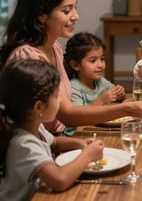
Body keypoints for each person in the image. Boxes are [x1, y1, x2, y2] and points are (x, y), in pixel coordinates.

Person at [0, 0, 142, 135]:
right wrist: (127, 109)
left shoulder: (54, 47)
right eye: (67, 10)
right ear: (41, 14)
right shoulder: (28, 56)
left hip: (59, 138)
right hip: (41, 148)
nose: (76, 16)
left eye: (75, 8)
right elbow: (67, 115)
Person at [0, 59, 104, 200]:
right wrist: (88, 155)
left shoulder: (33, 125)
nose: (60, 101)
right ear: (39, 107)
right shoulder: (23, 143)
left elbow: (53, 142)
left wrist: (78, 143)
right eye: (56, 96)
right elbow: (59, 180)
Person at [64, 32, 126, 106]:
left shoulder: (101, 82)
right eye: (93, 61)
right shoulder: (73, 88)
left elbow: (117, 98)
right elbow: (78, 115)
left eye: (102, 59)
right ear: (75, 65)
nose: (100, 65)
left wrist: (120, 94)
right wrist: (101, 101)